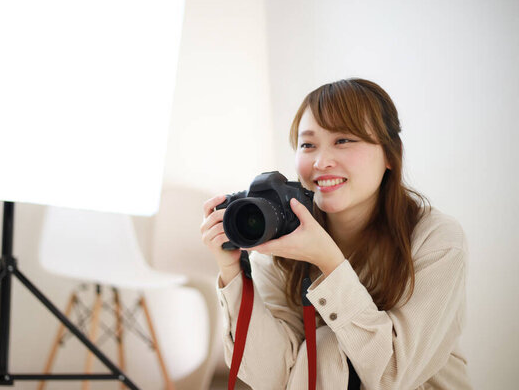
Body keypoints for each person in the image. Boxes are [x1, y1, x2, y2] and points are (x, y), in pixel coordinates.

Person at [200, 78, 471, 389]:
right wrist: (232, 270)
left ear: (389, 155)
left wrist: (328, 262)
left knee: (327, 342)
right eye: (308, 144)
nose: (321, 162)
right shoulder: (281, 241)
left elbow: (393, 375)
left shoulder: (437, 241)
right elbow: (271, 377)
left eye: (344, 140)